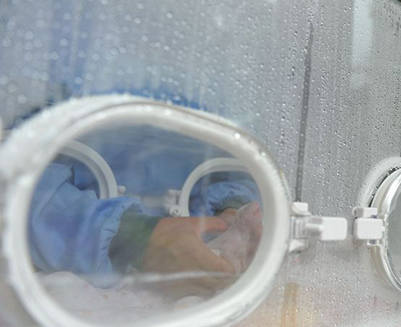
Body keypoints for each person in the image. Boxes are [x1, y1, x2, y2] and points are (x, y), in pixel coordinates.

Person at [29, 123, 263, 291]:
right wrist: (134, 238)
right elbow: (20, 182)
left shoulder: (222, 93)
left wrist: (231, 212)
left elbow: (241, 167)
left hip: (184, 293)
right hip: (67, 287)